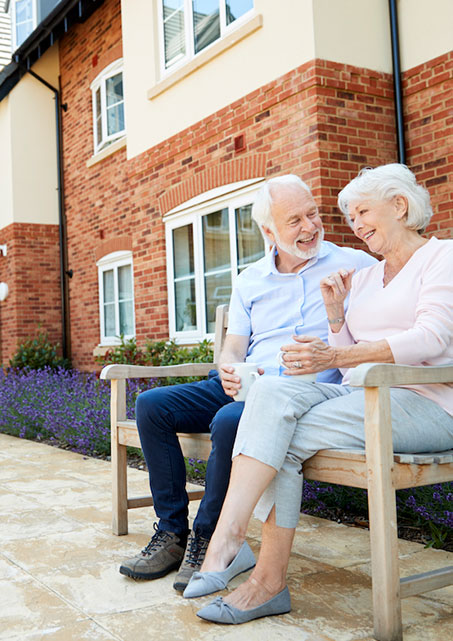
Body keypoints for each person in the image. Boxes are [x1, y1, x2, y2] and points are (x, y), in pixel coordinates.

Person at [183, 163, 453, 624]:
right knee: (270, 395)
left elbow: (434, 338)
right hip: (362, 399)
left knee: (277, 431)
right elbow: (347, 356)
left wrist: (336, 357)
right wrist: (334, 318)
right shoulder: (365, 277)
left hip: (426, 403)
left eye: (363, 212)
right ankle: (237, 548)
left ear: (400, 206)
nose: (356, 226)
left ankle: (246, 562)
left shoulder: (441, 258)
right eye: (350, 218)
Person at [119, 174, 375, 591]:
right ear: (268, 231)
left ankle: (209, 539)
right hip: (247, 382)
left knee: (228, 420)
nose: (309, 227)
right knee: (152, 406)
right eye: (294, 221)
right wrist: (228, 367)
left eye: (312, 214)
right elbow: (234, 345)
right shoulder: (251, 278)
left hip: (299, 393)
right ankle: (171, 533)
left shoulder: (356, 265)